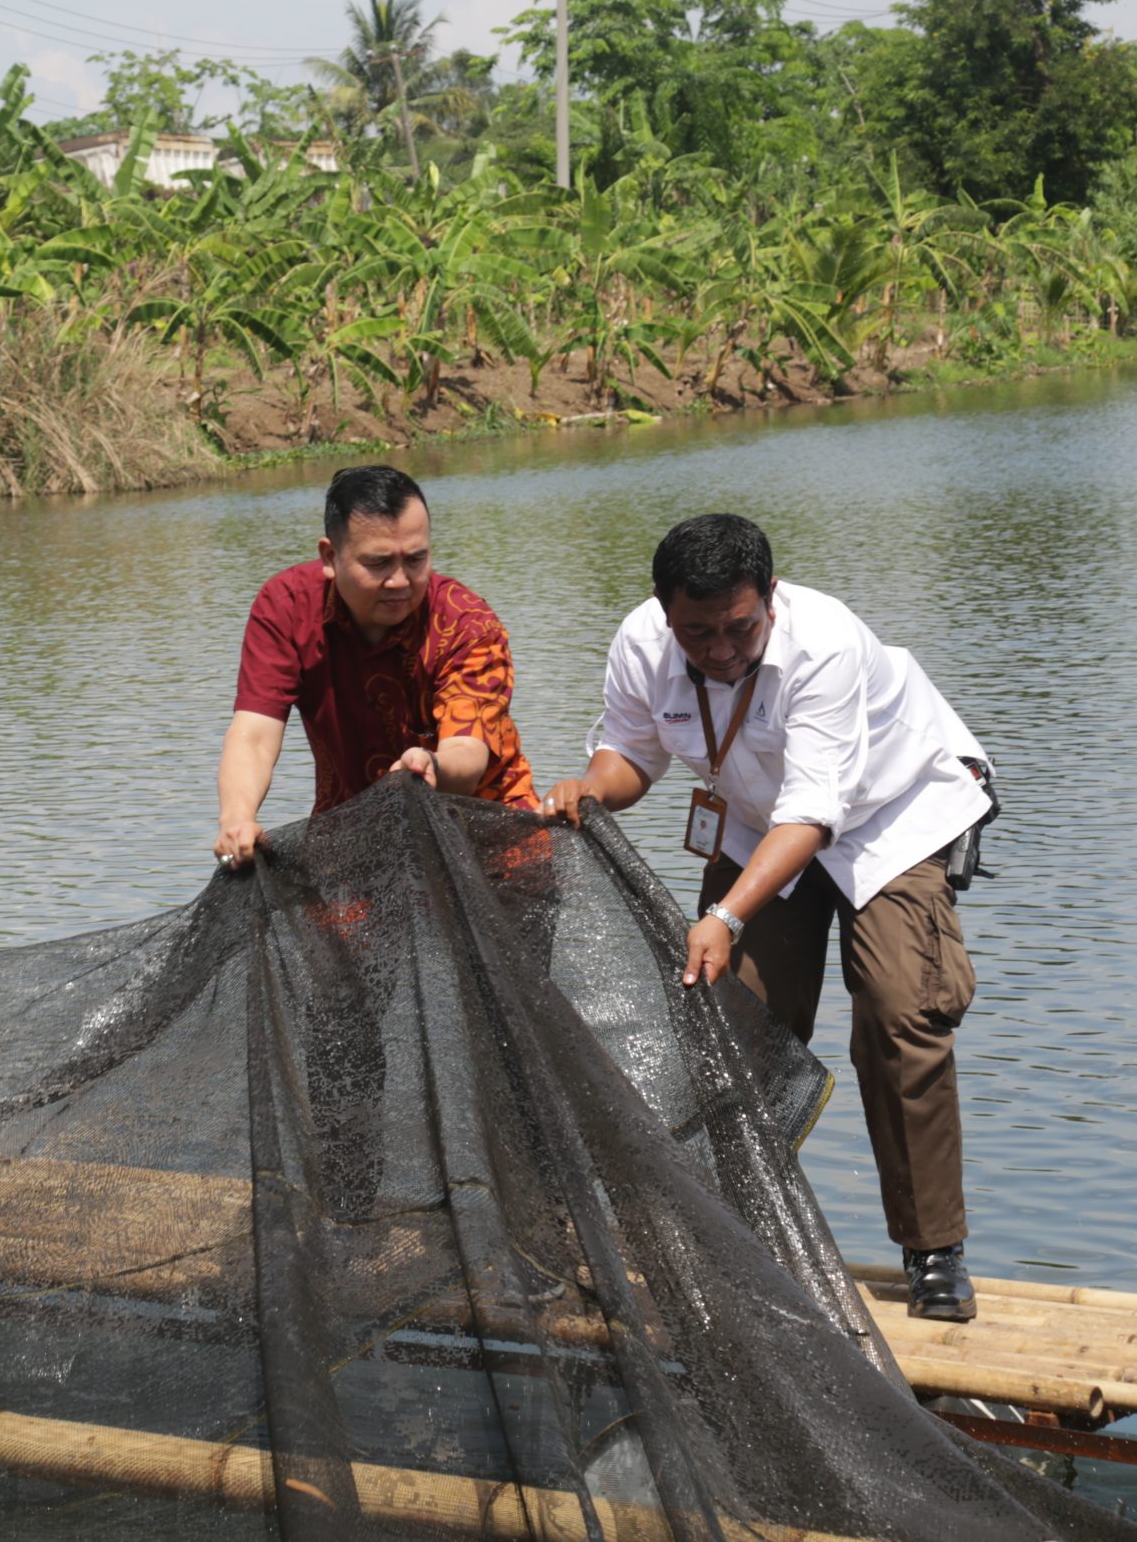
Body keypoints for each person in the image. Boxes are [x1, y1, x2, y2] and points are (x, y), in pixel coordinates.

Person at [543, 513, 994, 1322]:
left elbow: (816, 814)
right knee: (734, 1016)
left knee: (900, 1006)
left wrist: (721, 910)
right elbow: (631, 752)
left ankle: (933, 1252)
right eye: (698, 631)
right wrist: (590, 789)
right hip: (759, 823)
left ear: (772, 598)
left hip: (888, 820)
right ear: (663, 609)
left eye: (739, 628)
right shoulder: (644, 643)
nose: (719, 649)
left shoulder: (825, 646)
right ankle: (735, 1226)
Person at [215, 464, 536, 869]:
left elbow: (467, 755)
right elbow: (255, 734)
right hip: (355, 835)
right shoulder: (287, 607)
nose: (400, 581)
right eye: (379, 563)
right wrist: (237, 819)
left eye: (416, 559)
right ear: (330, 557)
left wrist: (430, 763)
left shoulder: (465, 622)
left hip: (486, 835)